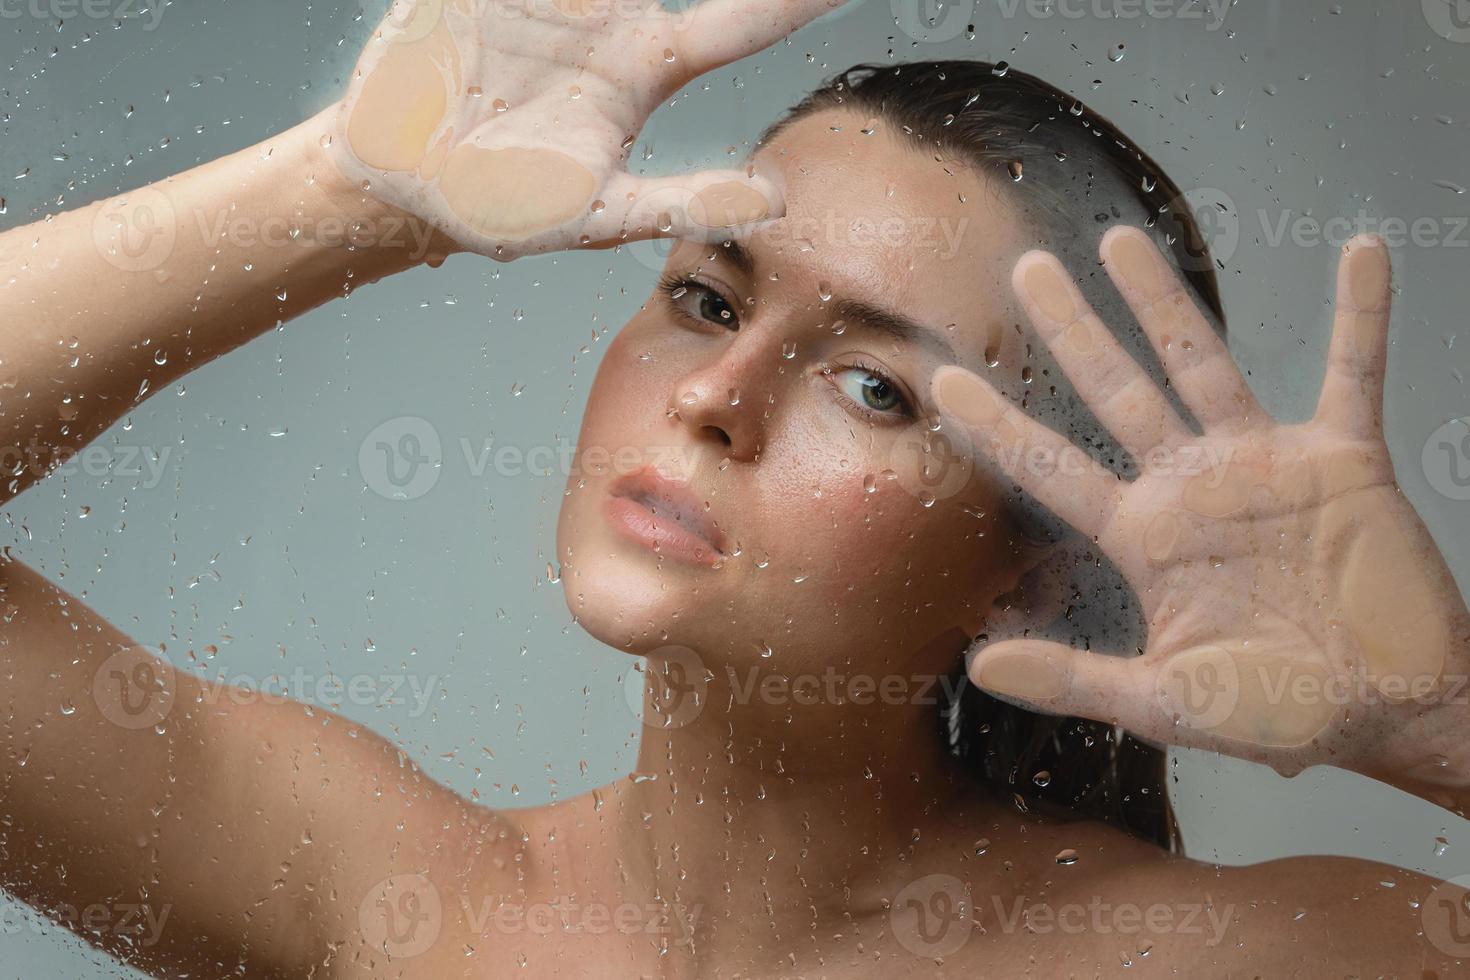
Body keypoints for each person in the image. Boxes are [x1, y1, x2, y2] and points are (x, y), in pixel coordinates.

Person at [1, 0, 1466, 975]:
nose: (713, 397)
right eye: (708, 299)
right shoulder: (401, 909)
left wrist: (1436, 727)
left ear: (1028, 569)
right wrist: (342, 197)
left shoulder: (1245, 958)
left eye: (874, 386)